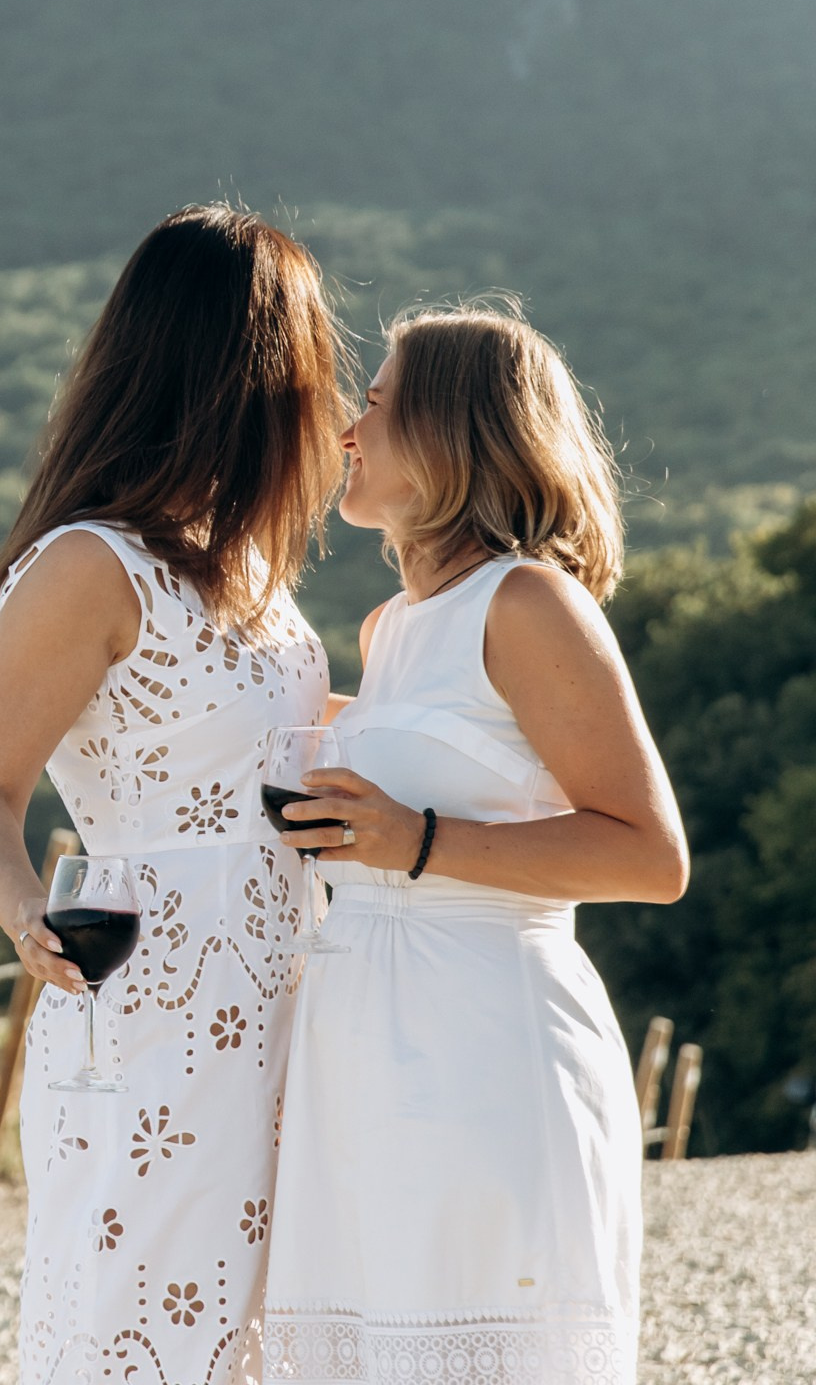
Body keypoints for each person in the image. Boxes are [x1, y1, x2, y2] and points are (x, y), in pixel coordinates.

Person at [0, 203, 350, 1385]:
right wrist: (27, 918)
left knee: (271, 1332)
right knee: (142, 1331)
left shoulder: (255, 572)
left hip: (290, 996)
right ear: (246, 374)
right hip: (150, 1007)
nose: (324, 410)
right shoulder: (88, 565)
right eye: (310, 373)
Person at [262, 302, 688, 1384]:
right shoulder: (386, 628)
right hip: (356, 1062)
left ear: (452, 434)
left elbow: (649, 853)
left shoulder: (529, 602)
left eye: (374, 404)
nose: (347, 433)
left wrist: (418, 839)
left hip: (489, 1051)